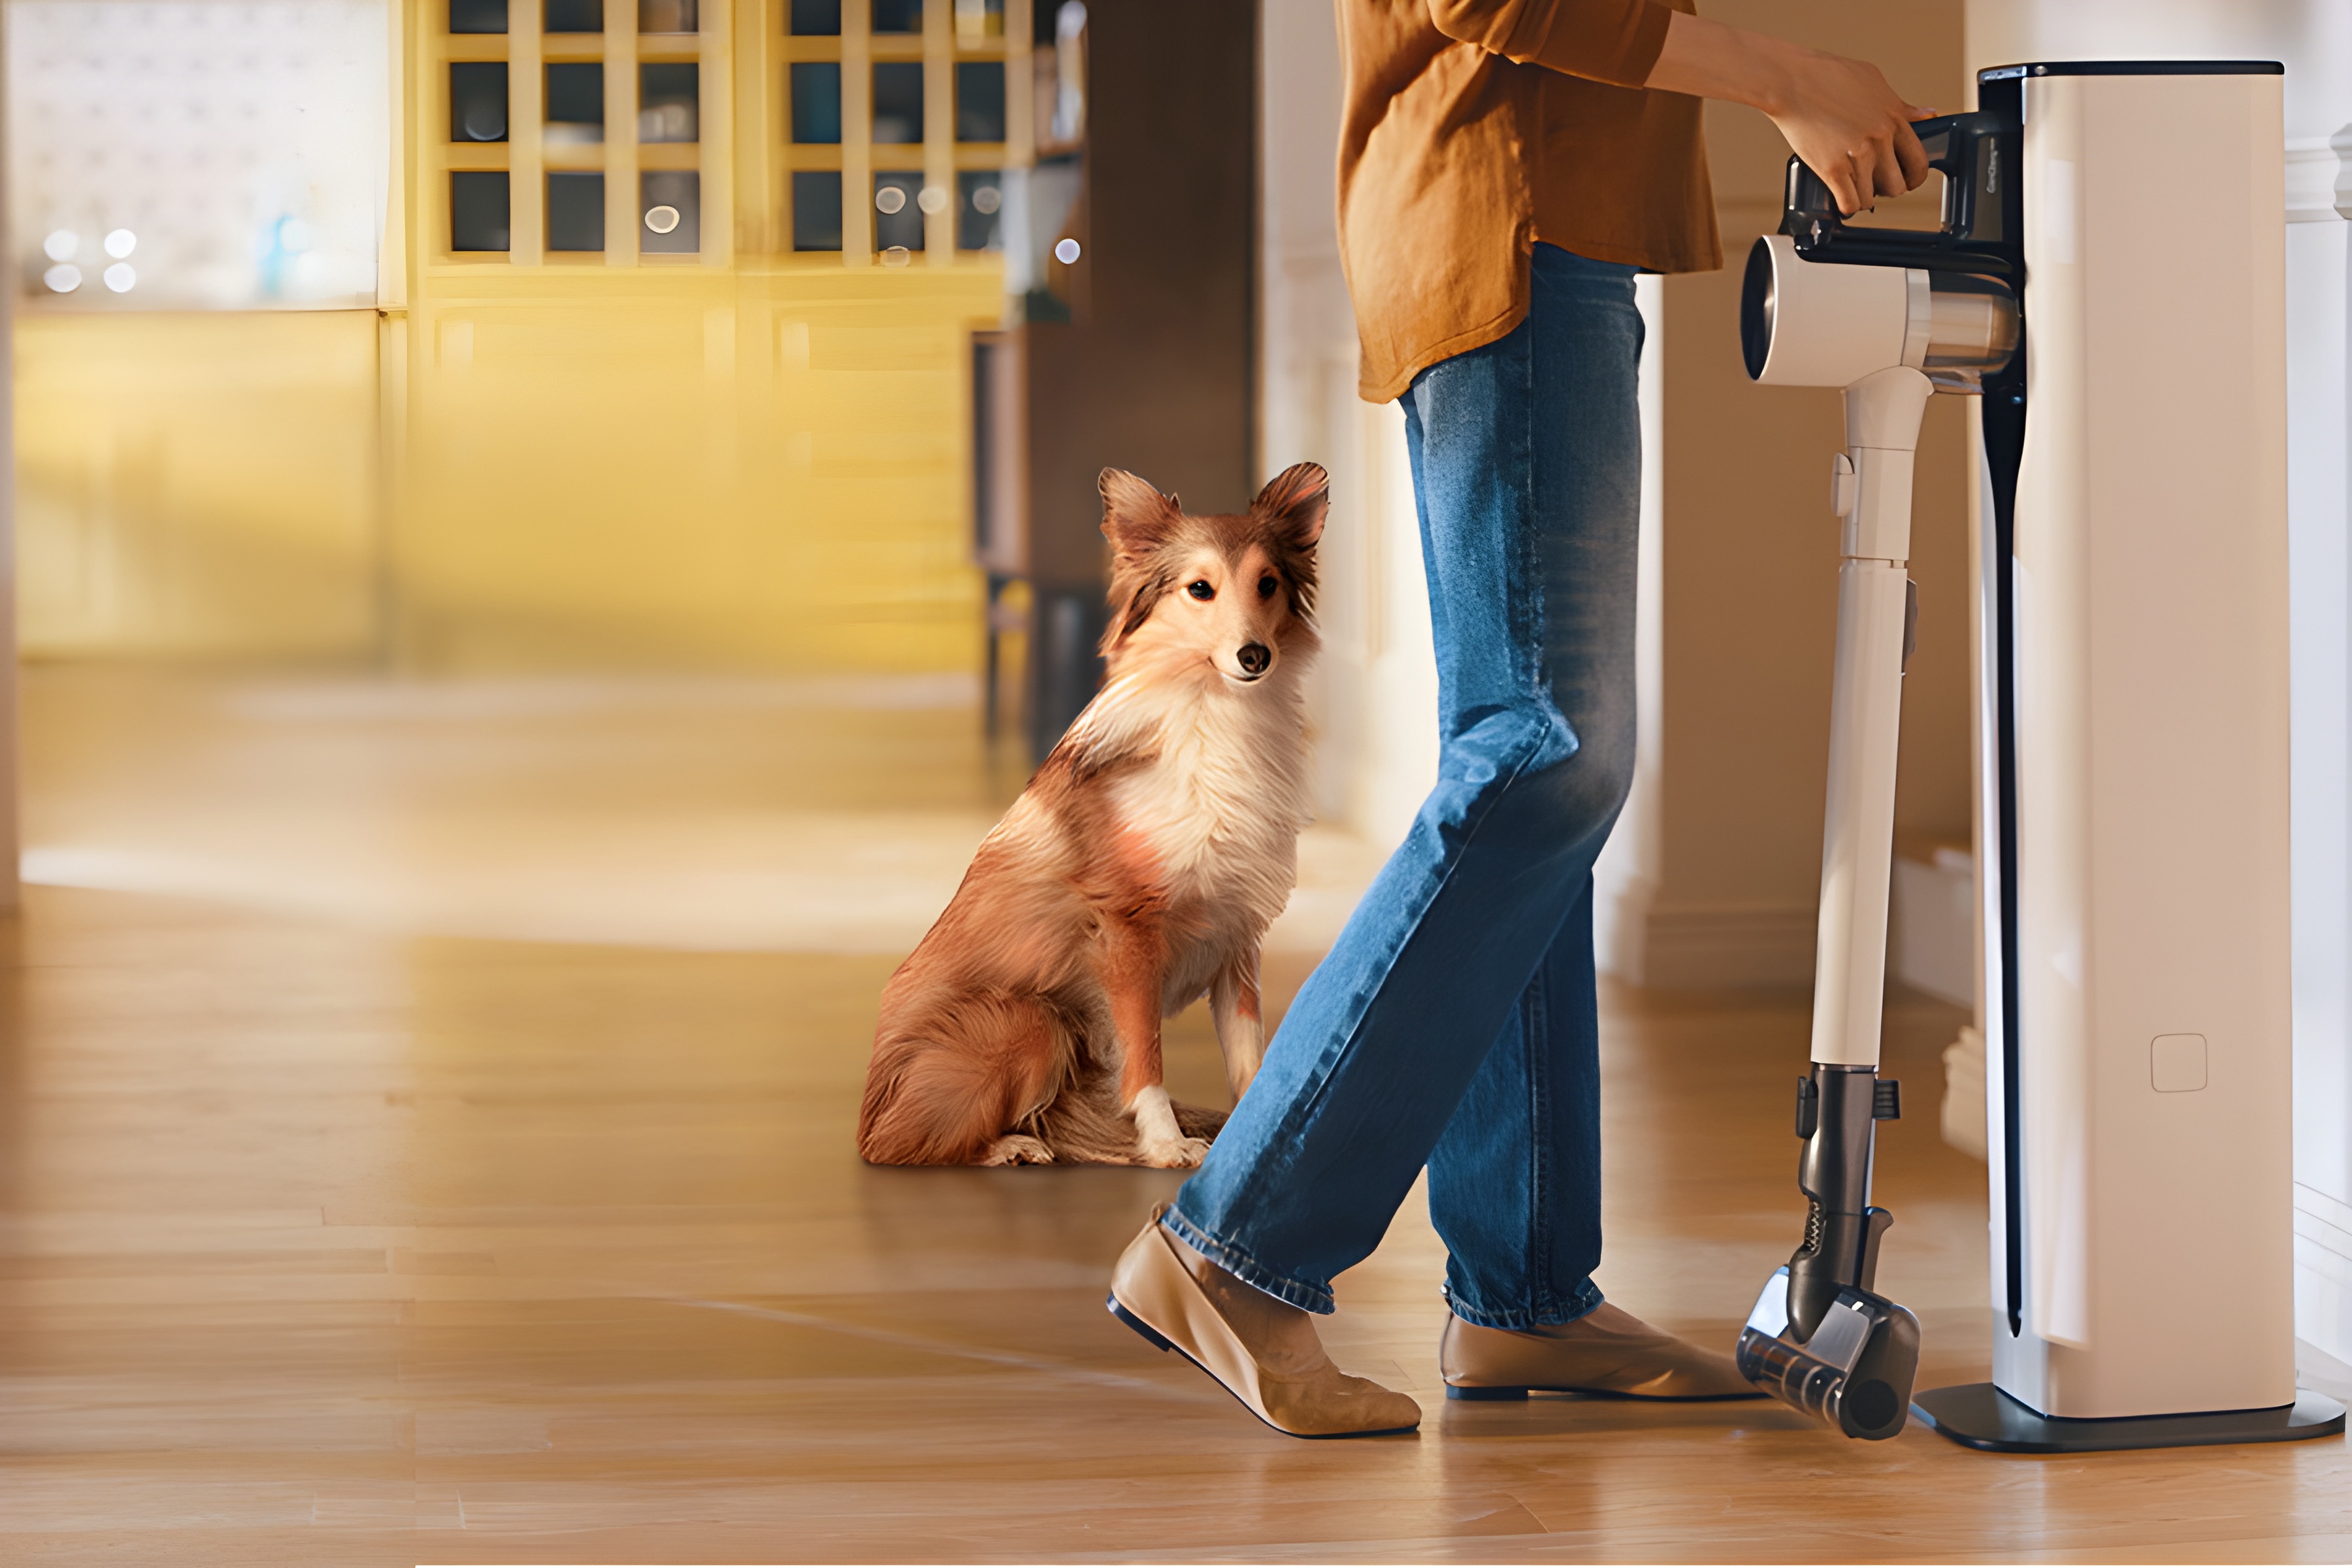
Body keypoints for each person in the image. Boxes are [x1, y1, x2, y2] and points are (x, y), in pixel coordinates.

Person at [1105, 1, 1935, 1436]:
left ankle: (1525, 1292)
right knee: (1544, 749)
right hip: (1510, 223)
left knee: (1538, 770)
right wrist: (1789, 79)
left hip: (1540, 227)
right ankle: (1233, 1247)